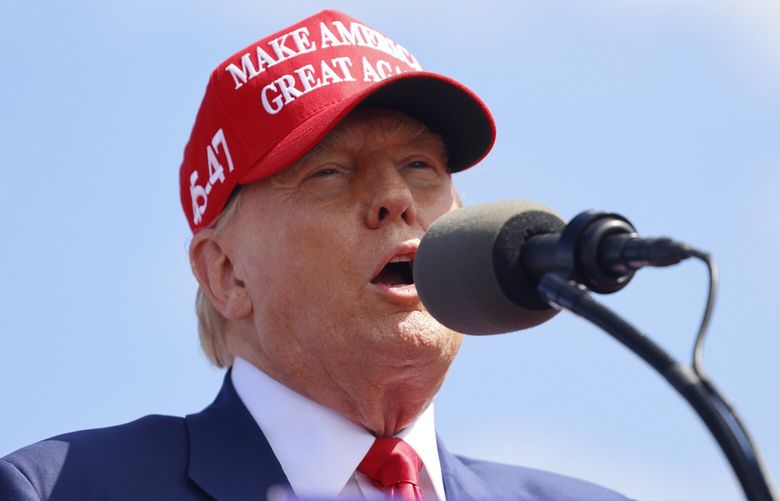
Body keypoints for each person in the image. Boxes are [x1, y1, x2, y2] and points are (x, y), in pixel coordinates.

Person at [0, 10, 631, 501]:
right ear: (226, 273)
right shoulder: (60, 489)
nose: (394, 197)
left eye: (420, 165)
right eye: (330, 172)